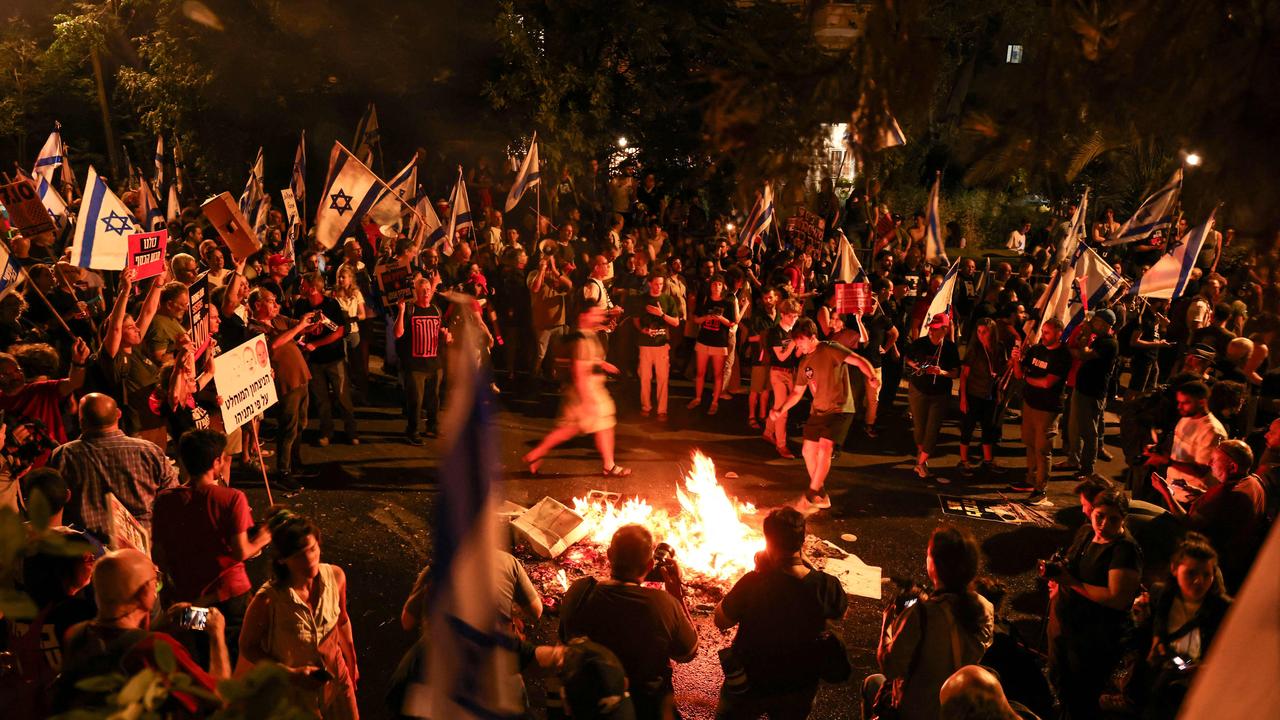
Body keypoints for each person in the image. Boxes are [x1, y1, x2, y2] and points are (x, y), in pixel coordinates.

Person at [713, 507, 847, 719]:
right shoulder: (826, 586)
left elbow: (721, 620)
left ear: (768, 541)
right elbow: (837, 613)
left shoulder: (753, 582)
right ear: (802, 540)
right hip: (799, 684)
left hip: (750, 681)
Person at [57, 549, 228, 713]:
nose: (157, 587)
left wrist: (159, 627)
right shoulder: (155, 647)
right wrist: (216, 633)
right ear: (145, 590)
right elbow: (219, 697)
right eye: (156, 580)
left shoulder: (76, 634)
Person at [152, 429, 271, 662]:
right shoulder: (231, 498)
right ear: (217, 462)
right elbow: (241, 552)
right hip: (229, 597)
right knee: (237, 653)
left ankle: (211, 692)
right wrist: (266, 535)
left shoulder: (165, 500)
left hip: (189, 595)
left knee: (203, 651)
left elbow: (159, 554)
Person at [559, 524, 698, 720]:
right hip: (646, 708)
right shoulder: (664, 604)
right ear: (650, 566)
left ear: (609, 555)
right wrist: (677, 596)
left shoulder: (580, 591)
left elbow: (566, 639)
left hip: (592, 705)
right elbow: (688, 653)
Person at [863, 526, 995, 720]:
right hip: (955, 709)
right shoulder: (985, 608)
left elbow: (891, 668)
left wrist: (888, 622)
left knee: (872, 683)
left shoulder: (922, 615)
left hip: (915, 711)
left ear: (934, 564)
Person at [240, 508, 359, 719]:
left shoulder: (336, 576)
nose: (310, 559)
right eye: (299, 555)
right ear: (282, 560)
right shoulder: (268, 600)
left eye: (312, 549)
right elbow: (248, 647)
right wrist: (290, 674)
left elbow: (342, 621)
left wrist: (352, 662)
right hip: (295, 694)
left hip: (337, 681)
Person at [1048, 488, 1142, 719]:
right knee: (1060, 679)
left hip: (1094, 637)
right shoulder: (1086, 532)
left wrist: (1072, 583)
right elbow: (1072, 564)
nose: (1103, 523)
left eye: (1113, 519)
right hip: (1067, 622)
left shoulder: (1125, 550)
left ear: (1124, 519)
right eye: (1099, 515)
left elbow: (1117, 598)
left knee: (1082, 694)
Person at [770, 318, 879, 511]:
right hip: (818, 410)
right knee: (807, 451)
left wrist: (871, 376)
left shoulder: (831, 349)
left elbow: (859, 360)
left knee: (826, 447)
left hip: (840, 408)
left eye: (801, 340)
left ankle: (812, 492)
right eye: (796, 341)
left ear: (813, 337)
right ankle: (820, 492)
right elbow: (797, 393)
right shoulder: (804, 363)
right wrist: (780, 409)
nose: (799, 344)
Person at [47, 393, 179, 542]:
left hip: (88, 553)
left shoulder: (63, 455)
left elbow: (52, 505)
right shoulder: (149, 451)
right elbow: (173, 499)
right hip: (143, 549)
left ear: (80, 420)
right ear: (118, 414)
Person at [1126, 533, 1231, 719]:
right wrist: (1140, 619)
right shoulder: (1161, 594)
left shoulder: (1224, 609)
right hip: (1169, 668)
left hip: (1198, 683)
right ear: (1175, 569)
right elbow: (1147, 635)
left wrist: (1206, 668)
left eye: (1206, 575)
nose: (1199, 581)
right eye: (1191, 573)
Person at [522, 304, 631, 477]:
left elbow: (589, 360)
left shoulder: (588, 335)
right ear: (583, 316)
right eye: (595, 314)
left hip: (589, 390)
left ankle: (536, 454)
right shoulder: (582, 339)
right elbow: (579, 370)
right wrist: (587, 400)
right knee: (587, 427)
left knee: (576, 428)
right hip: (587, 391)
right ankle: (608, 465)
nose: (599, 318)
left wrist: (602, 364)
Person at [1147, 439, 1266, 590]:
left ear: (1232, 466)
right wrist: (1200, 492)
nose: (1209, 463)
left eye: (1214, 460)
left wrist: (1166, 492)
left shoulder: (1224, 494)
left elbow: (1189, 524)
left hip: (1213, 560)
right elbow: (1226, 509)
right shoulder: (1254, 483)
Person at [248, 286, 317, 488]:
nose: (276, 304)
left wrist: (312, 323)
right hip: (286, 383)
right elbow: (274, 345)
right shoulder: (254, 328)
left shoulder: (279, 319)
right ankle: (283, 471)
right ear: (258, 305)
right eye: (271, 301)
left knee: (301, 424)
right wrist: (298, 327)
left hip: (301, 377)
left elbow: (302, 328)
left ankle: (295, 463)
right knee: (288, 428)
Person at [1009, 318, 1071, 505]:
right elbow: (1019, 374)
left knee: (1043, 450)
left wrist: (1027, 378)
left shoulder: (1062, 356)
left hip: (1048, 409)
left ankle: (1041, 488)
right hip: (1030, 404)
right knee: (1029, 444)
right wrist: (1015, 360)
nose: (1043, 336)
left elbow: (1047, 383)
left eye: (1047, 333)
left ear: (1059, 333)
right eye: (1042, 331)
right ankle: (1031, 479)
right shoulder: (1036, 349)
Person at [294, 272, 359, 446]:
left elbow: (338, 331)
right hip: (314, 362)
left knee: (343, 396)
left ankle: (351, 431)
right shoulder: (301, 305)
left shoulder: (331, 304)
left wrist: (317, 344)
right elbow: (298, 330)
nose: (300, 287)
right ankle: (326, 432)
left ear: (313, 288)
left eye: (303, 284)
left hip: (334, 358)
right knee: (321, 399)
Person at [904, 313, 961, 480]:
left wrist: (941, 372)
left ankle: (920, 463)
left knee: (933, 429)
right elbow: (907, 358)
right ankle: (921, 457)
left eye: (936, 329)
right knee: (919, 427)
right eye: (930, 328)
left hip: (939, 394)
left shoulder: (950, 348)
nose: (931, 332)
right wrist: (916, 365)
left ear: (945, 329)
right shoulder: (920, 343)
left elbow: (956, 373)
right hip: (919, 390)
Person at [1064, 309, 1120, 477]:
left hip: (1092, 392)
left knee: (1089, 432)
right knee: (1077, 427)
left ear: (1104, 324)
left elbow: (1084, 355)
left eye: (1094, 321)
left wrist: (1085, 338)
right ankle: (1076, 460)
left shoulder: (1109, 343)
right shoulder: (1099, 340)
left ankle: (1088, 468)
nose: (1091, 323)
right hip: (1082, 389)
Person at [958, 318, 1008, 476]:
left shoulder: (999, 348)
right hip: (973, 393)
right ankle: (964, 461)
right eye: (979, 332)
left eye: (984, 332)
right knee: (968, 427)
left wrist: (1011, 363)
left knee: (989, 428)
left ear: (992, 332)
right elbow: (964, 375)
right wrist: (963, 398)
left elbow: (1003, 368)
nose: (981, 335)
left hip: (990, 394)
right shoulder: (974, 349)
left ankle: (987, 460)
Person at [631, 270, 681, 420]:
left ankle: (662, 411)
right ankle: (646, 407)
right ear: (649, 283)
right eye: (656, 284)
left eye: (661, 284)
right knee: (645, 378)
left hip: (662, 345)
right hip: (645, 345)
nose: (659, 287)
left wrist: (661, 314)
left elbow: (676, 322)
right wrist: (643, 330)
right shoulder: (641, 299)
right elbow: (635, 319)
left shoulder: (668, 300)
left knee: (662, 378)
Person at [688, 273, 739, 415]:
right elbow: (696, 319)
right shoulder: (705, 301)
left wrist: (720, 317)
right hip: (703, 340)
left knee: (718, 374)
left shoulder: (727, 303)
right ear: (710, 286)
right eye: (714, 284)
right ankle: (697, 398)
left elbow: (732, 323)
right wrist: (707, 317)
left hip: (720, 343)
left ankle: (715, 402)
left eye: (719, 284)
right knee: (700, 373)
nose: (716, 287)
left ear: (723, 287)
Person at [763, 298, 802, 458]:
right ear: (783, 315)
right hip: (778, 372)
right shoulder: (775, 332)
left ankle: (768, 431)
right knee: (782, 410)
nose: (794, 319)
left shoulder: (794, 331)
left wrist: (800, 346)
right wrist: (794, 342)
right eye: (791, 316)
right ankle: (781, 445)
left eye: (796, 316)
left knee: (784, 405)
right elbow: (781, 356)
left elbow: (796, 355)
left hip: (791, 372)